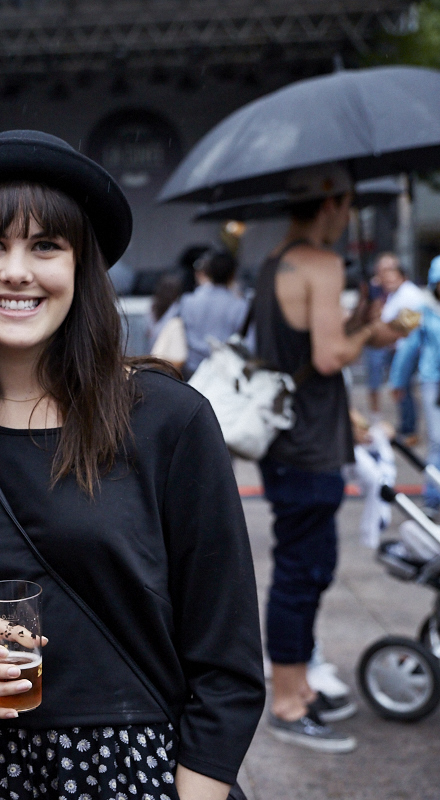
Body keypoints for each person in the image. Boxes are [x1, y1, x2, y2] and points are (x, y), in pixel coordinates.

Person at [0, 130, 265, 800]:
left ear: (80, 268)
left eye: (45, 246)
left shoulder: (168, 421)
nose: (16, 270)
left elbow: (228, 661)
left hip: (140, 772)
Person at [252, 164, 405, 753]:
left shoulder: (273, 264)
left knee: (303, 566)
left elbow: (306, 342)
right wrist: (366, 333)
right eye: (345, 206)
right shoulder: (321, 262)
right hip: (308, 445)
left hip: (287, 442)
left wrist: (353, 323)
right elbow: (326, 357)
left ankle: (300, 685)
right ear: (333, 205)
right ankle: (290, 700)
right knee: (303, 572)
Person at [389, 257, 440, 515]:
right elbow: (409, 347)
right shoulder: (425, 309)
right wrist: (398, 379)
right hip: (433, 381)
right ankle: (433, 498)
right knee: (437, 441)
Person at [374, 251, 426, 442]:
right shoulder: (394, 294)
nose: (387, 280)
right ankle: (407, 427)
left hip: (407, 349)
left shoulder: (409, 294)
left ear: (402, 276)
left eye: (391, 275)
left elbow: (402, 325)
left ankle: (409, 429)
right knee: (401, 388)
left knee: (401, 387)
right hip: (398, 349)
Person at [179, 250, 248, 377]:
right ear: (233, 274)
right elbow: (246, 342)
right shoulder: (239, 305)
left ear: (207, 272)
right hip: (224, 371)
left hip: (192, 368)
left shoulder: (188, 301)